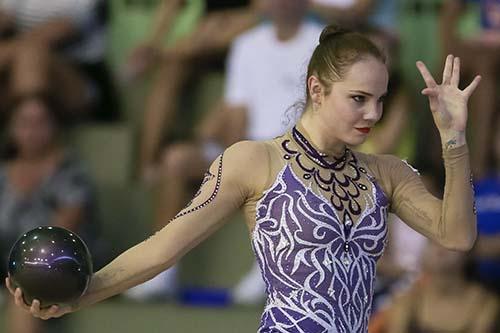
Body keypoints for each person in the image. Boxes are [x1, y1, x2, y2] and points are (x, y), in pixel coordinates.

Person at [5, 26, 480, 333]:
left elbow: (456, 235)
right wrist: (82, 294)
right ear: (317, 89)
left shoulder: (387, 172)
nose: (373, 113)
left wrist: (453, 139)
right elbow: (164, 247)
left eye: (380, 99)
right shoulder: (255, 161)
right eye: (358, 98)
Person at [0, 96, 99, 332]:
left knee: (25, 298)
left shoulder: (71, 171)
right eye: (24, 122)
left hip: (55, 269)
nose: (32, 131)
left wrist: (17, 278)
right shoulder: (2, 174)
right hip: (5, 267)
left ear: (55, 126)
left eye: (40, 122)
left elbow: (60, 235)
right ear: (12, 128)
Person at [385, 242, 499, 333]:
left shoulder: (484, 304)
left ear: (469, 252)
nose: (440, 248)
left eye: (451, 242)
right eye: (432, 241)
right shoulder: (407, 300)